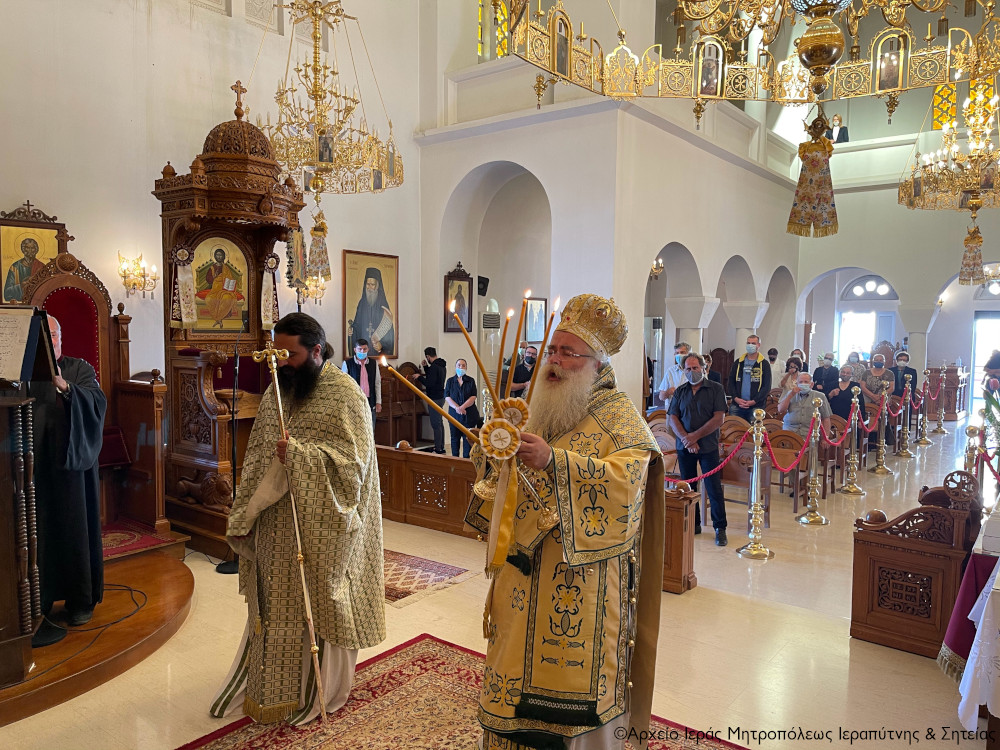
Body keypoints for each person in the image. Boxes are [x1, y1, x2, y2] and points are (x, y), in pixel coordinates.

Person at [465, 293, 663, 750]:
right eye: (552, 350)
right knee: (512, 673)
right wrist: (492, 448)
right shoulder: (540, 404)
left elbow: (629, 479)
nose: (553, 361)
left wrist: (555, 460)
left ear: (595, 361)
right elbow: (501, 478)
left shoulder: (617, 414)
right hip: (522, 574)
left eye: (567, 353)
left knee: (568, 693)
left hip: (581, 579)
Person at [212, 312, 385, 726]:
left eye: (289, 354)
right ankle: (274, 685)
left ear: (317, 351)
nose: (280, 362)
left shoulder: (345, 396)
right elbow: (257, 452)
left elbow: (354, 467)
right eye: (276, 352)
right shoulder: (279, 389)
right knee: (275, 604)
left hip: (326, 526)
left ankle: (323, 686)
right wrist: (247, 510)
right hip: (278, 524)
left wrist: (302, 458)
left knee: (321, 599)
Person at [29, 315, 108, 646]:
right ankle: (39, 602)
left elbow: (97, 402)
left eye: (53, 336)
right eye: (42, 337)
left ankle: (80, 601)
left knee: (74, 531)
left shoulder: (79, 368)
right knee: (37, 535)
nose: (50, 343)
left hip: (71, 470)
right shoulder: (22, 375)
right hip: (31, 470)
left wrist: (67, 389)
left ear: (60, 338)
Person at [669, 353, 728, 545]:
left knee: (713, 488)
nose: (692, 371)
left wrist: (695, 437)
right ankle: (692, 524)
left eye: (695, 368)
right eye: (688, 368)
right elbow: (673, 417)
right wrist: (686, 439)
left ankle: (720, 528)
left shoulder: (716, 389)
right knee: (687, 487)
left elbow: (719, 418)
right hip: (684, 447)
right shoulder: (680, 391)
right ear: (683, 370)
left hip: (708, 445)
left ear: (704, 368)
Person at [409, 346, 447, 454]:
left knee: (436, 424)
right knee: (439, 423)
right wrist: (426, 368)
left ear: (428, 356)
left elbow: (429, 383)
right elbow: (433, 377)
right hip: (441, 397)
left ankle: (438, 448)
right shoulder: (441, 364)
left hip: (434, 398)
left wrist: (419, 377)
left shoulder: (435, 367)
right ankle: (441, 446)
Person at [349, 267, 394, 356]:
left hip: (376, 353)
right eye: (368, 284)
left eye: (372, 284)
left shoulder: (383, 305)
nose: (369, 287)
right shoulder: (362, 303)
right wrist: (351, 330)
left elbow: (389, 330)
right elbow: (357, 325)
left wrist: (382, 345)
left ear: (377, 286)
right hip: (363, 353)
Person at [197, 247, 244, 328]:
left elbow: (230, 278)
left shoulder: (226, 268)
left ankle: (219, 318)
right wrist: (214, 277)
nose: (219, 257)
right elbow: (208, 280)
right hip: (215, 289)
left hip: (225, 289)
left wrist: (230, 285)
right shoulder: (212, 267)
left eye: (221, 255)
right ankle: (219, 319)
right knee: (209, 299)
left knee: (227, 298)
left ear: (223, 257)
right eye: (217, 255)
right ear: (215, 256)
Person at [728, 334, 771, 420]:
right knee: (734, 431)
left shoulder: (764, 364)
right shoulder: (739, 362)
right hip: (737, 405)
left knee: (754, 431)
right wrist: (736, 398)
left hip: (756, 406)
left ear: (758, 345)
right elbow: (731, 382)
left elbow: (766, 386)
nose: (750, 345)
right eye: (748, 343)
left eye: (753, 343)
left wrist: (754, 401)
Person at [341, 338, 381, 429]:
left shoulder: (373, 363)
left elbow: (377, 384)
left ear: (368, 349)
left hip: (370, 401)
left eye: (365, 349)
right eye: (360, 349)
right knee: (355, 430)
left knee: (370, 430)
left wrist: (378, 402)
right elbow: (343, 385)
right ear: (355, 350)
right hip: (354, 403)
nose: (362, 351)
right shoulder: (347, 364)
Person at [778, 372, 832, 439]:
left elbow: (826, 418)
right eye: (800, 382)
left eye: (806, 382)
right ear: (797, 384)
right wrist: (791, 395)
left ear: (811, 384)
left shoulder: (820, 396)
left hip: (809, 434)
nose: (803, 384)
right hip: (790, 432)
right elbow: (780, 410)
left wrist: (825, 438)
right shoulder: (790, 393)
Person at [444, 359, 478, 457]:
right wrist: (457, 408)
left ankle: (466, 461)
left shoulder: (470, 381)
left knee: (467, 439)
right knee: (454, 438)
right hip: (454, 415)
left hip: (468, 415)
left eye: (463, 365)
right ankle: (455, 461)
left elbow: (473, 396)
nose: (461, 367)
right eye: (459, 365)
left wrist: (463, 407)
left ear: (466, 368)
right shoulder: (450, 381)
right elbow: (447, 396)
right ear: (455, 367)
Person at [861, 354, 895, 448]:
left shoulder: (889, 373)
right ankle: (868, 439)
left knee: (882, 416)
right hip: (868, 397)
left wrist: (881, 396)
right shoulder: (866, 372)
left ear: (884, 361)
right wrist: (872, 396)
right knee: (866, 415)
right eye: (876, 360)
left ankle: (882, 438)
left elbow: (891, 388)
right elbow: (862, 386)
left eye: (881, 360)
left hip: (883, 398)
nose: (878, 361)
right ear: (873, 361)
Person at [5, 237, 46, 302]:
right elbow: (7, 293)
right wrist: (21, 286)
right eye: (27, 248)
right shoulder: (15, 267)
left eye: (32, 248)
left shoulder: (41, 267)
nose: (30, 250)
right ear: (23, 249)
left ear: (36, 250)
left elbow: (46, 288)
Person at [657, 340, 690, 408]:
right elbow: (661, 397)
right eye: (677, 353)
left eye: (682, 352)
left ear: (689, 354)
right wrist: (668, 392)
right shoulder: (670, 371)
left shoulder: (696, 370)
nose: (679, 355)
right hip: (673, 410)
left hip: (690, 410)